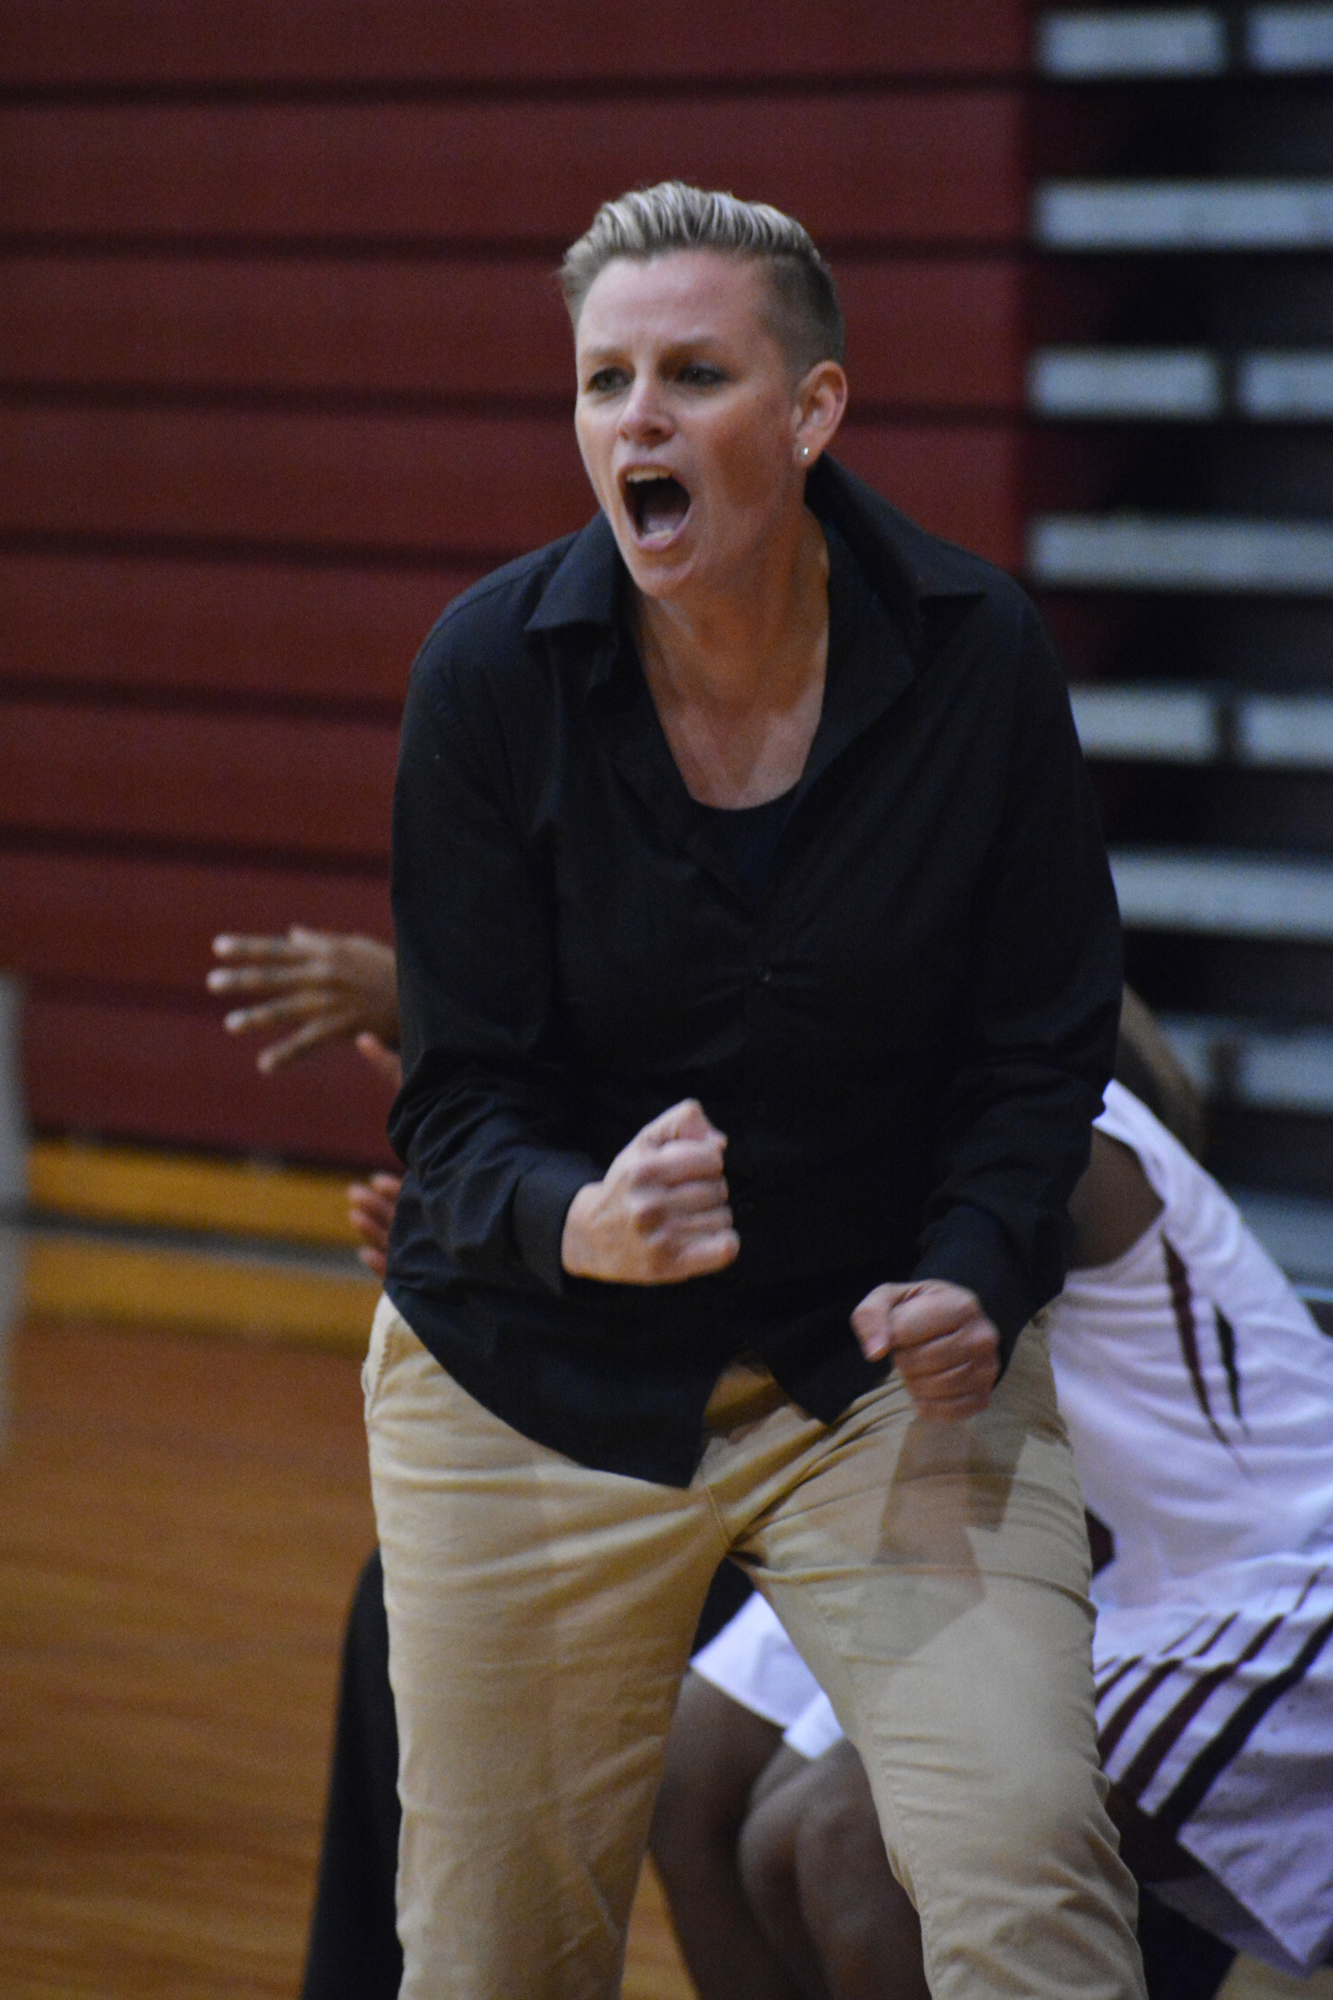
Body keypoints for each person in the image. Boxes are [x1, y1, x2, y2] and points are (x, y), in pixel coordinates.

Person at [370, 180, 1141, 1999]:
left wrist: (973, 1262)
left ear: (808, 416)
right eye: (599, 380)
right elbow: (454, 1105)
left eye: (690, 374)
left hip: (878, 1382)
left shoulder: (975, 658)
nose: (631, 418)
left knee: (1026, 1861)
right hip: (530, 1388)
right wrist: (578, 1217)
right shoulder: (486, 678)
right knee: (493, 1959)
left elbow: (1043, 1044)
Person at [652, 1054, 1333, 2000]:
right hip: (1039, 1523)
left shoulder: (1052, 1123)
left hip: (1280, 1568)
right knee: (722, 1803)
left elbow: (796, 1286)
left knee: (855, 1851)